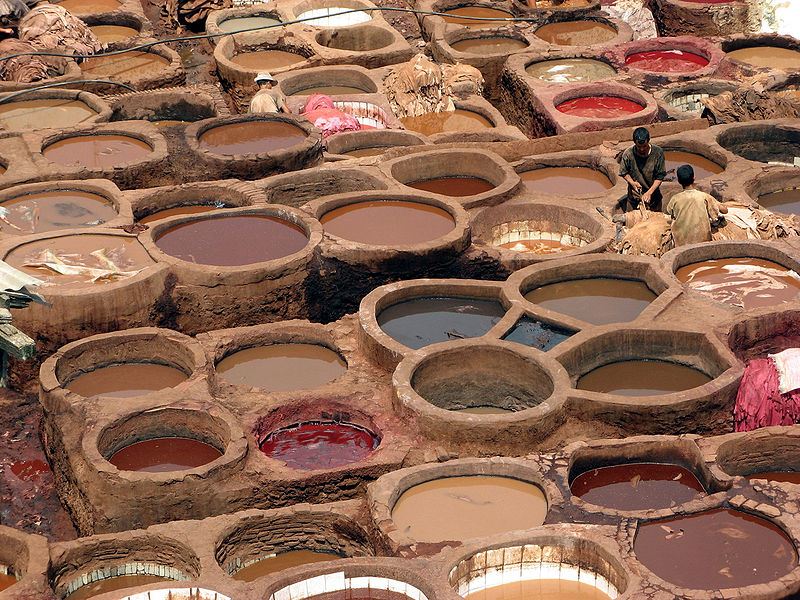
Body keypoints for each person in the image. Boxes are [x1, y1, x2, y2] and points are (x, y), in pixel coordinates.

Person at [666, 164, 727, 247]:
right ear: (694, 177)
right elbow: (725, 210)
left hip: (681, 244)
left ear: (679, 181)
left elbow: (669, 211)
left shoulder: (675, 199)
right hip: (703, 242)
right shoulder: (704, 196)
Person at [619, 126, 666, 212]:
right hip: (634, 199)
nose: (641, 149)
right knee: (632, 223)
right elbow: (624, 172)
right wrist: (632, 183)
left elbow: (660, 177)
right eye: (638, 146)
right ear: (634, 142)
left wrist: (649, 193)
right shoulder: (628, 154)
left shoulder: (657, 153)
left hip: (654, 198)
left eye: (644, 146)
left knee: (656, 223)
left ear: (648, 141)